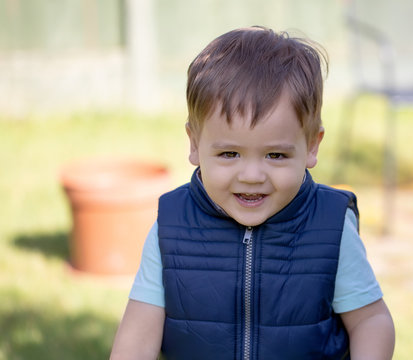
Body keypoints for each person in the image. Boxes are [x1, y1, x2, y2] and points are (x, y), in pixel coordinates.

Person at [110, 26, 395, 360]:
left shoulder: (330, 227)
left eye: (276, 155)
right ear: (194, 143)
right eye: (230, 154)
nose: (251, 176)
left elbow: (370, 320)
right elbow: (138, 334)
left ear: (312, 146)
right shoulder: (173, 226)